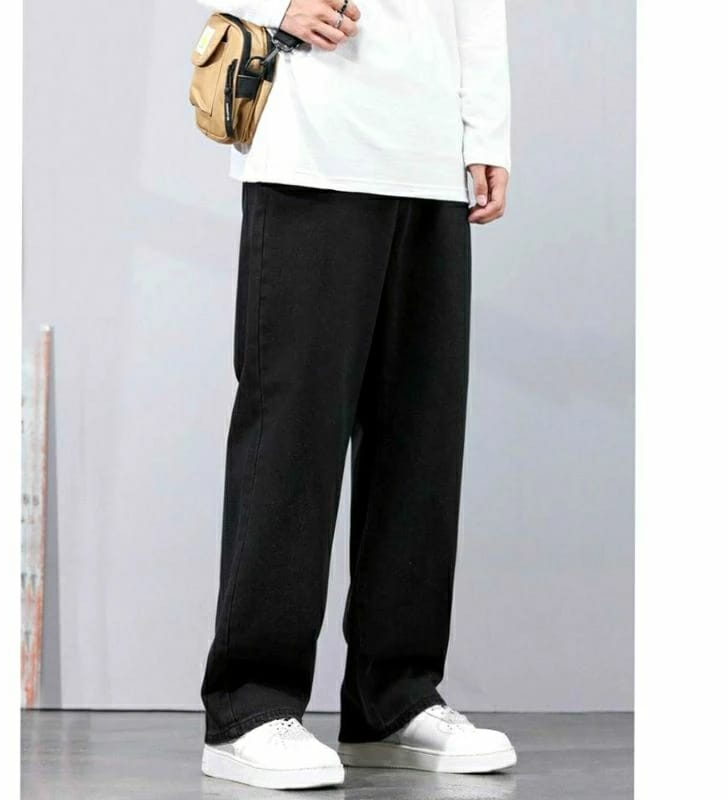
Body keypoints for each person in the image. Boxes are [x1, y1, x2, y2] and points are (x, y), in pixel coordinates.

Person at [195, 0, 515, 789]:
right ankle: (248, 709)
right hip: (311, 148)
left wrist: (486, 133)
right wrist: (273, 6)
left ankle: (393, 700)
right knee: (292, 433)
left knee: (420, 439)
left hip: (431, 156)